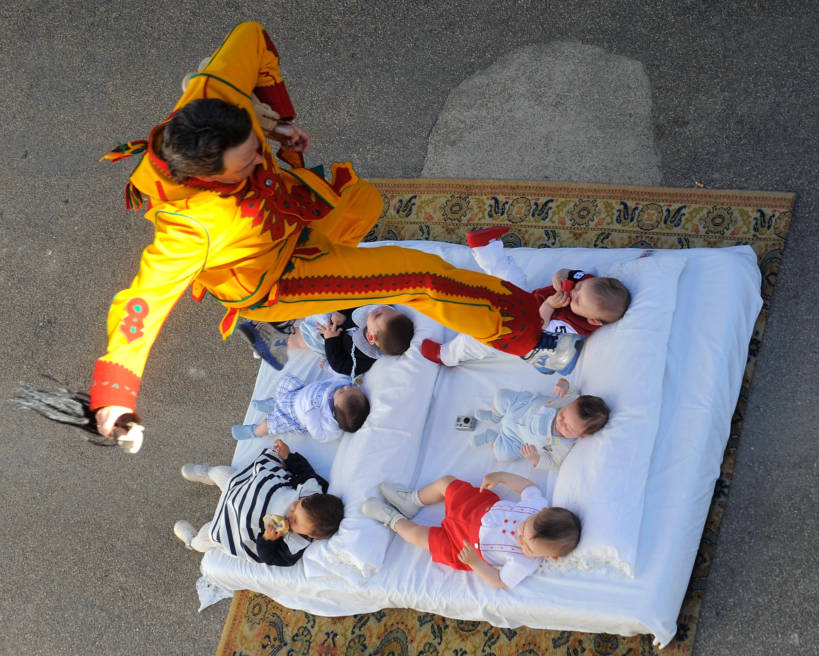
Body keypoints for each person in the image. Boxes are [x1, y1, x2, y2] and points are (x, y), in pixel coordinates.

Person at [91, 22, 573, 440]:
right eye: (247, 162)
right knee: (420, 277)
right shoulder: (188, 226)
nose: (260, 159)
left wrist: (277, 124)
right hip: (280, 275)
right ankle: (530, 341)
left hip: (291, 216)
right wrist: (114, 391)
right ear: (207, 174)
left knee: (362, 201)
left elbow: (252, 36)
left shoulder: (213, 95)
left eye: (254, 146)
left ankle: (337, 293)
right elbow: (142, 303)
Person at [420, 226, 632, 373]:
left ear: (593, 320)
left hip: (516, 331)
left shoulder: (572, 329)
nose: (573, 293)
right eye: (578, 288)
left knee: (478, 342)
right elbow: (569, 273)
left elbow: (538, 328)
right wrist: (560, 276)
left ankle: (445, 355)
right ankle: (485, 248)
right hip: (524, 301)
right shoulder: (589, 285)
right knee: (509, 277)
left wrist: (549, 304)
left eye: (576, 300)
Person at [362, 471, 581, 589]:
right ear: (541, 511)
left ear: (550, 557)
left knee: (420, 536)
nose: (519, 538)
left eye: (528, 547)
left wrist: (475, 563)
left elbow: (499, 581)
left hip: (465, 545)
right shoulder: (536, 505)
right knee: (447, 483)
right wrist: (502, 477)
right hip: (477, 508)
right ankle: (412, 500)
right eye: (523, 527)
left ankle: (392, 519)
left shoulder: (525, 564)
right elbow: (528, 487)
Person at [173, 439, 343, 566]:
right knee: (225, 475)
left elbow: (270, 558)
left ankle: (192, 541)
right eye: (297, 504)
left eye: (295, 520)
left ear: (310, 535)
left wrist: (267, 540)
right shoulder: (313, 488)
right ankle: (209, 472)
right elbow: (304, 471)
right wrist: (288, 456)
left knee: (210, 535)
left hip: (239, 523)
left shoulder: (295, 542)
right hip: (247, 490)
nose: (291, 510)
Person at [472, 377, 609, 468]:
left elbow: (553, 462)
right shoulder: (572, 399)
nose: (561, 422)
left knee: (502, 454)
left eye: (568, 427)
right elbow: (570, 388)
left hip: (516, 437)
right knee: (501, 396)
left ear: (581, 435)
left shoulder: (563, 445)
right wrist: (563, 384)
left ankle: (492, 438)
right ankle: (495, 417)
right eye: (563, 414)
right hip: (520, 407)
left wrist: (535, 458)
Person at [231, 376, 369, 442]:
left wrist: (311, 419)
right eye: (351, 388)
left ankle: (254, 431)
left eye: (342, 391)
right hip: (298, 392)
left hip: (293, 415)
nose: (346, 387)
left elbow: (321, 436)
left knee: (270, 424)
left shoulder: (330, 424)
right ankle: (274, 404)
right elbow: (336, 379)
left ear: (336, 411)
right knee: (286, 382)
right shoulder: (342, 390)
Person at [293, 305, 415, 377]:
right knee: (322, 312)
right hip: (334, 318)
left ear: (371, 338)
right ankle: (295, 313)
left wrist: (331, 339)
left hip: (329, 340)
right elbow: (356, 300)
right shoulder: (379, 311)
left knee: (305, 338)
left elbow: (340, 366)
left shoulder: (363, 359)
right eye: (389, 309)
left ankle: (289, 338)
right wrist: (341, 313)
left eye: (378, 315)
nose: (379, 308)